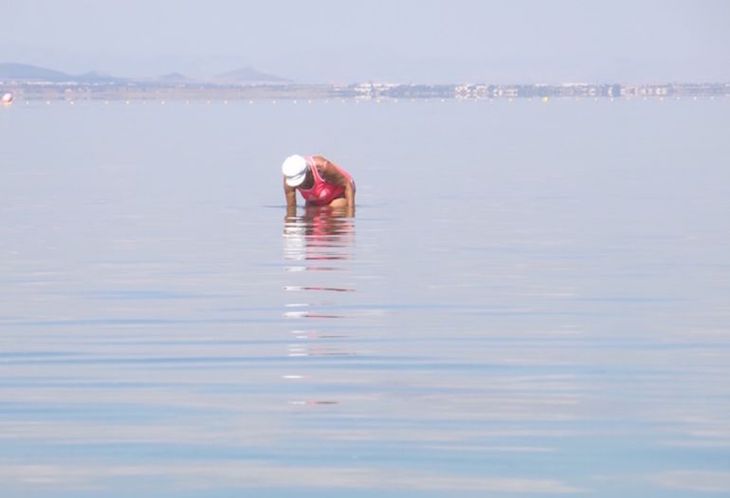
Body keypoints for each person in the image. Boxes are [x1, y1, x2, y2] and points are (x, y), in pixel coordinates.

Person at [282, 154, 355, 217]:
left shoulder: (322, 167)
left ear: (307, 172)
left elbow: (348, 184)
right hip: (314, 200)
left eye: (300, 181)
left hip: (337, 196)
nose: (299, 185)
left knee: (328, 214)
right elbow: (291, 208)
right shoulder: (289, 176)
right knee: (308, 218)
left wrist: (351, 214)